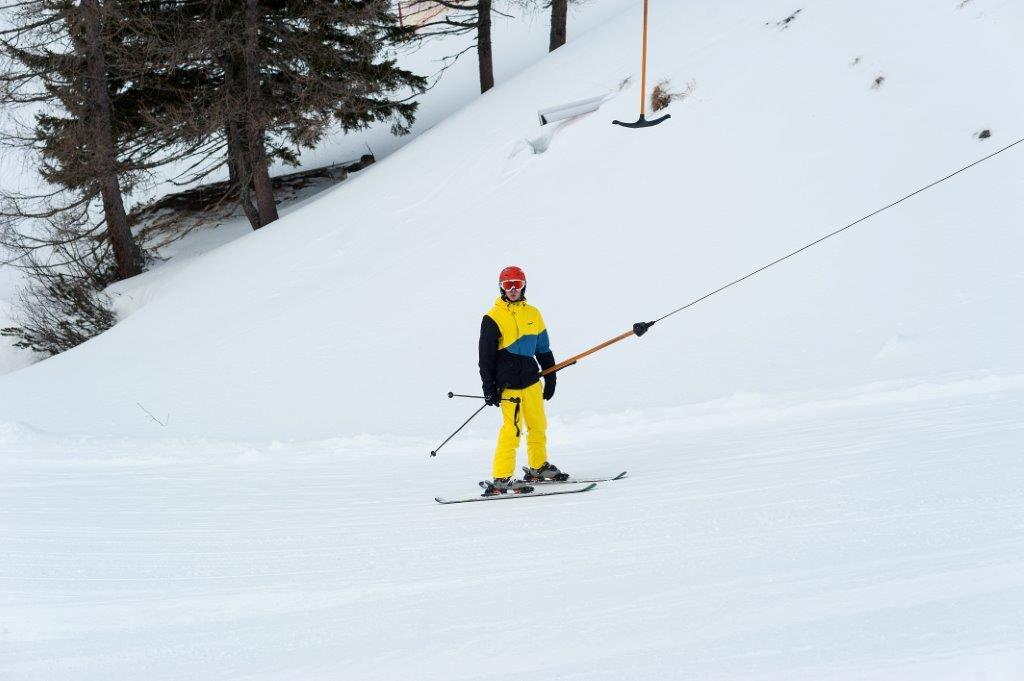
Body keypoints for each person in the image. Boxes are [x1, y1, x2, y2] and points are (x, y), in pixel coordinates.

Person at [478, 265, 568, 494]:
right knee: (512, 430)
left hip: (531, 381)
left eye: (516, 284)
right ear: (500, 287)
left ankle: (538, 467)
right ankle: (501, 478)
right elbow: (485, 358)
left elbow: (543, 350)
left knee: (538, 425)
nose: (512, 289)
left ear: (524, 285)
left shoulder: (533, 314)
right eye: (507, 285)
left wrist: (551, 378)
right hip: (508, 385)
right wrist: (489, 387)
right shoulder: (492, 317)